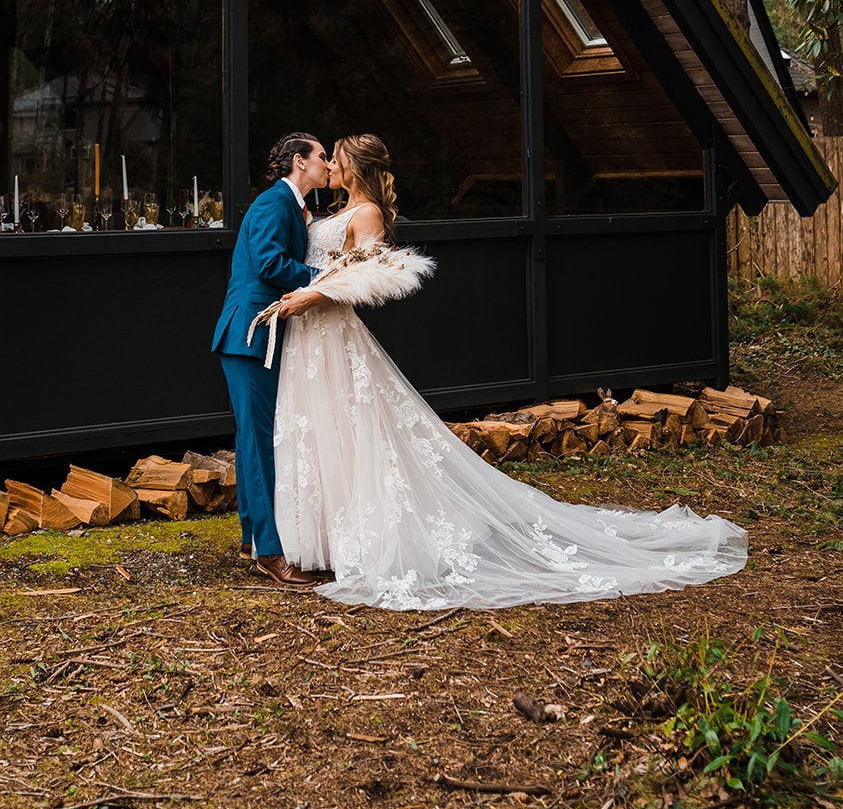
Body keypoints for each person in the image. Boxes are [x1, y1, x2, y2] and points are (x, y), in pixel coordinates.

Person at [267, 134, 747, 611]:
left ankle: (369, 540)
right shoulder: (326, 213)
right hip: (309, 336)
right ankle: (327, 539)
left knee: (354, 430)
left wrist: (315, 295)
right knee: (324, 431)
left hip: (330, 328)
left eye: (337, 156)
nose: (329, 163)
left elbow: (365, 280)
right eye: (325, 155)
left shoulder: (367, 212)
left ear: (356, 165)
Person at [212, 131, 330, 588]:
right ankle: (273, 553)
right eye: (321, 156)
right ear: (299, 162)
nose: (327, 164)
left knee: (251, 440)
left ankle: (250, 538)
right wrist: (325, 276)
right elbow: (267, 262)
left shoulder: (295, 207)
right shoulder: (272, 202)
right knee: (259, 441)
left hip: (260, 336)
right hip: (249, 335)